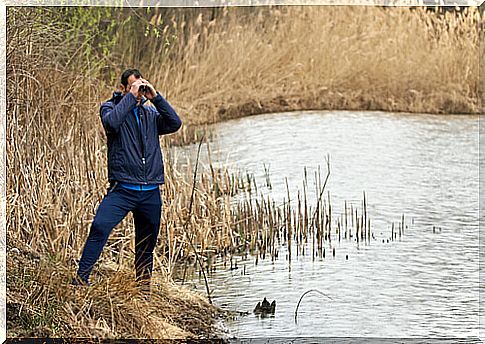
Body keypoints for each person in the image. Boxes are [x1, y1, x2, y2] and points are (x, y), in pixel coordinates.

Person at [72, 68, 182, 293]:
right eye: (133, 88)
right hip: (123, 189)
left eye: (140, 88)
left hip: (150, 191)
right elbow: (111, 124)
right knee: (100, 227)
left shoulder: (150, 114)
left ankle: (143, 291)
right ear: (122, 88)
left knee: (145, 245)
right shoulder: (110, 108)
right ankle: (81, 280)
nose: (138, 93)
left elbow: (174, 123)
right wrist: (131, 97)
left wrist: (156, 97)